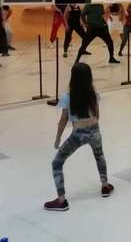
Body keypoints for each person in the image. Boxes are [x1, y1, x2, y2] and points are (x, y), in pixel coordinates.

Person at [44, 63, 114, 211]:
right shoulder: (94, 94)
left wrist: (58, 138)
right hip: (95, 132)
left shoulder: (68, 97)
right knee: (99, 156)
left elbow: (63, 121)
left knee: (57, 163)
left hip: (78, 135)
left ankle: (61, 200)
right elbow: (97, 115)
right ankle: (105, 185)